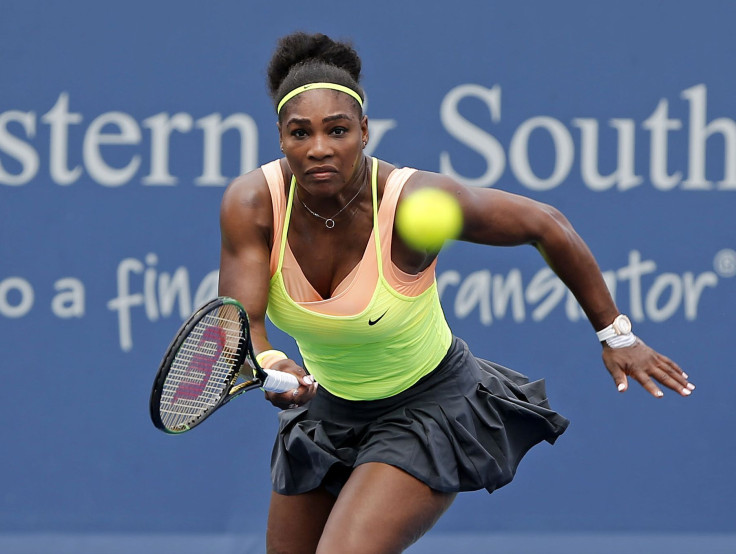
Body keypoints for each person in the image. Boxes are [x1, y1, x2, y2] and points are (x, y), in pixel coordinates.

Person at [218, 31, 694, 554]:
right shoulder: (252, 204)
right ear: (280, 138)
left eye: (338, 130)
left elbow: (546, 224)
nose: (320, 148)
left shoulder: (412, 205)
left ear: (364, 131)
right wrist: (271, 364)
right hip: (329, 413)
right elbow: (241, 326)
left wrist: (616, 334)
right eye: (299, 134)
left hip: (429, 409)